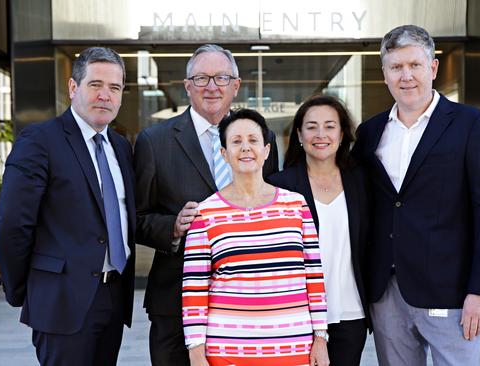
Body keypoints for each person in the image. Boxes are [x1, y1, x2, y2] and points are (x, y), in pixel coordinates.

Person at [351, 25, 480, 366]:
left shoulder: (471, 124)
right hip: (387, 293)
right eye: (396, 67)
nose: (406, 76)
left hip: (450, 291)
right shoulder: (370, 132)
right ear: (385, 73)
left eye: (414, 65)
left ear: (433, 68)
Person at [134, 44, 279, 366]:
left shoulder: (259, 139)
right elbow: (136, 217)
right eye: (201, 78)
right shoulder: (154, 141)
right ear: (187, 86)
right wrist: (171, 225)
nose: (211, 87)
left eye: (221, 78)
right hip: (175, 297)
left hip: (250, 298)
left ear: (236, 85)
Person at [0, 47, 135, 365]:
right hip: (61, 302)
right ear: (73, 88)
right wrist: (22, 290)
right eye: (95, 84)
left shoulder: (121, 147)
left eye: (114, 87)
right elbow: (12, 225)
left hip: (112, 296)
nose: (105, 95)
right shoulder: (40, 141)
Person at [182, 108, 329, 366]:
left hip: (293, 348)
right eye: (236, 142)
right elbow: (194, 288)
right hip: (228, 351)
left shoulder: (296, 205)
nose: (246, 148)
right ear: (225, 154)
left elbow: (314, 277)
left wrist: (320, 337)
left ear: (267, 150)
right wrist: (196, 350)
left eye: (253, 140)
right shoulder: (204, 213)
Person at [267, 94, 371, 366]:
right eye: (311, 127)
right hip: (297, 313)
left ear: (342, 133)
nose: (320, 134)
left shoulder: (362, 180)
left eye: (329, 126)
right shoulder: (280, 186)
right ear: (299, 134)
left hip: (351, 310)